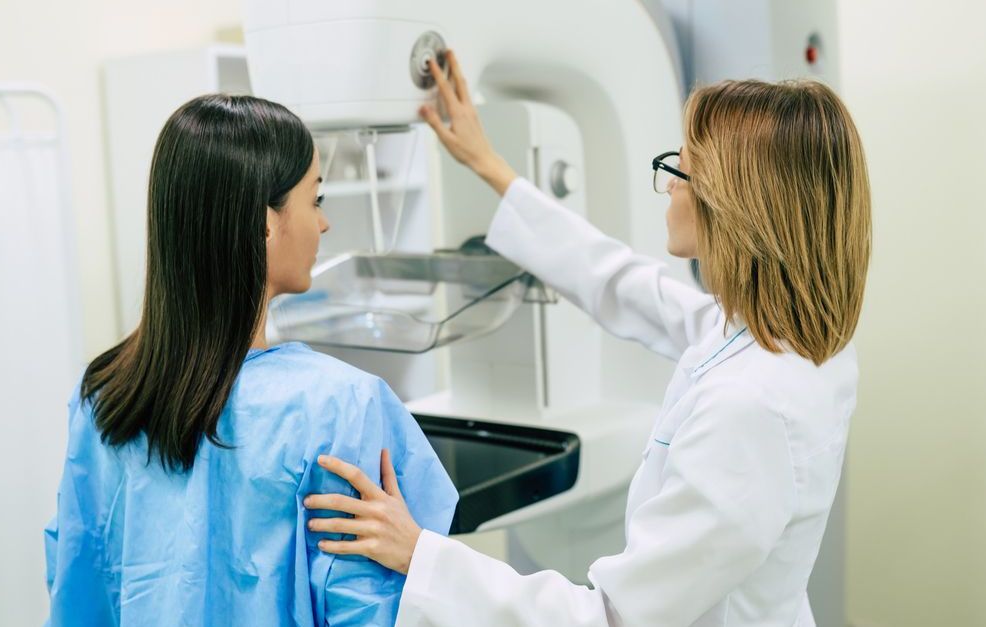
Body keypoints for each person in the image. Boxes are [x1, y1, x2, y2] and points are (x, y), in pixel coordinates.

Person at [304, 51, 872, 626]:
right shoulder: (798, 337)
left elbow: (609, 616)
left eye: (684, 166)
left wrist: (419, 553)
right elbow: (629, 286)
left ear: (734, 206)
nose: (669, 181)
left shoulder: (748, 406)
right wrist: (490, 166)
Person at [43, 94, 458, 626]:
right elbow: (375, 607)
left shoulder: (102, 395)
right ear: (265, 223)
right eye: (316, 200)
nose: (324, 224)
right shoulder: (339, 406)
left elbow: (75, 585)